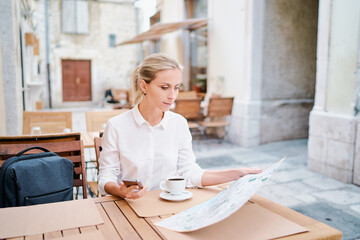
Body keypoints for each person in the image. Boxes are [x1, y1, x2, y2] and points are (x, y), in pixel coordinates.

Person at [98, 53, 262, 199]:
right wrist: (120, 191)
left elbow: (189, 172)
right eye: (164, 87)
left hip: (170, 205)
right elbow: (106, 176)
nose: (172, 96)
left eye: (176, 88)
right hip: (130, 206)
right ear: (144, 86)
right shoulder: (117, 126)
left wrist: (236, 174)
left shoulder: (179, 124)